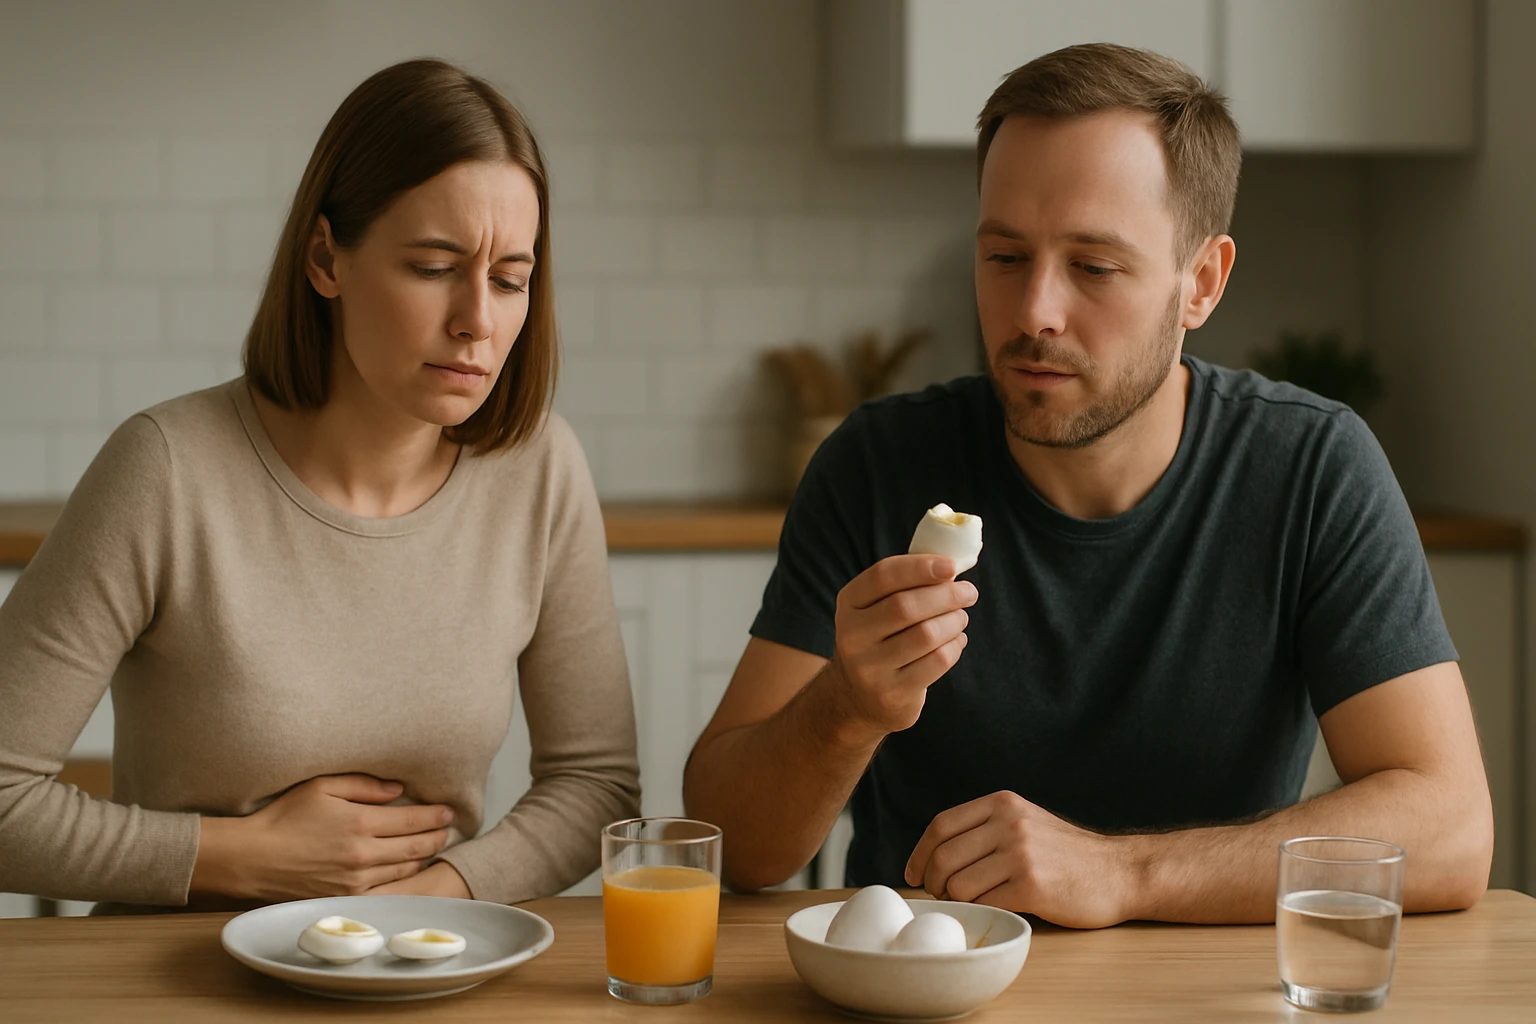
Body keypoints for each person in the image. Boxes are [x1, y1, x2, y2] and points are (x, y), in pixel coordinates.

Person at [683, 43, 1493, 927]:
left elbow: (1450, 832)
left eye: (1094, 267)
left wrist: (1125, 874)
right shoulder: (879, 464)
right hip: (924, 989)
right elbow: (732, 845)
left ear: (1203, 283)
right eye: (1003, 258)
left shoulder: (1310, 469)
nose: (1035, 311)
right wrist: (847, 706)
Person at [0, 59, 640, 913]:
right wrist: (238, 858)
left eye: (509, 279)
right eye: (432, 265)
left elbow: (597, 784)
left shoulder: (540, 471)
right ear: (325, 258)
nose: (477, 321)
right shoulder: (165, 468)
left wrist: (443, 893)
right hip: (176, 978)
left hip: (425, 969)